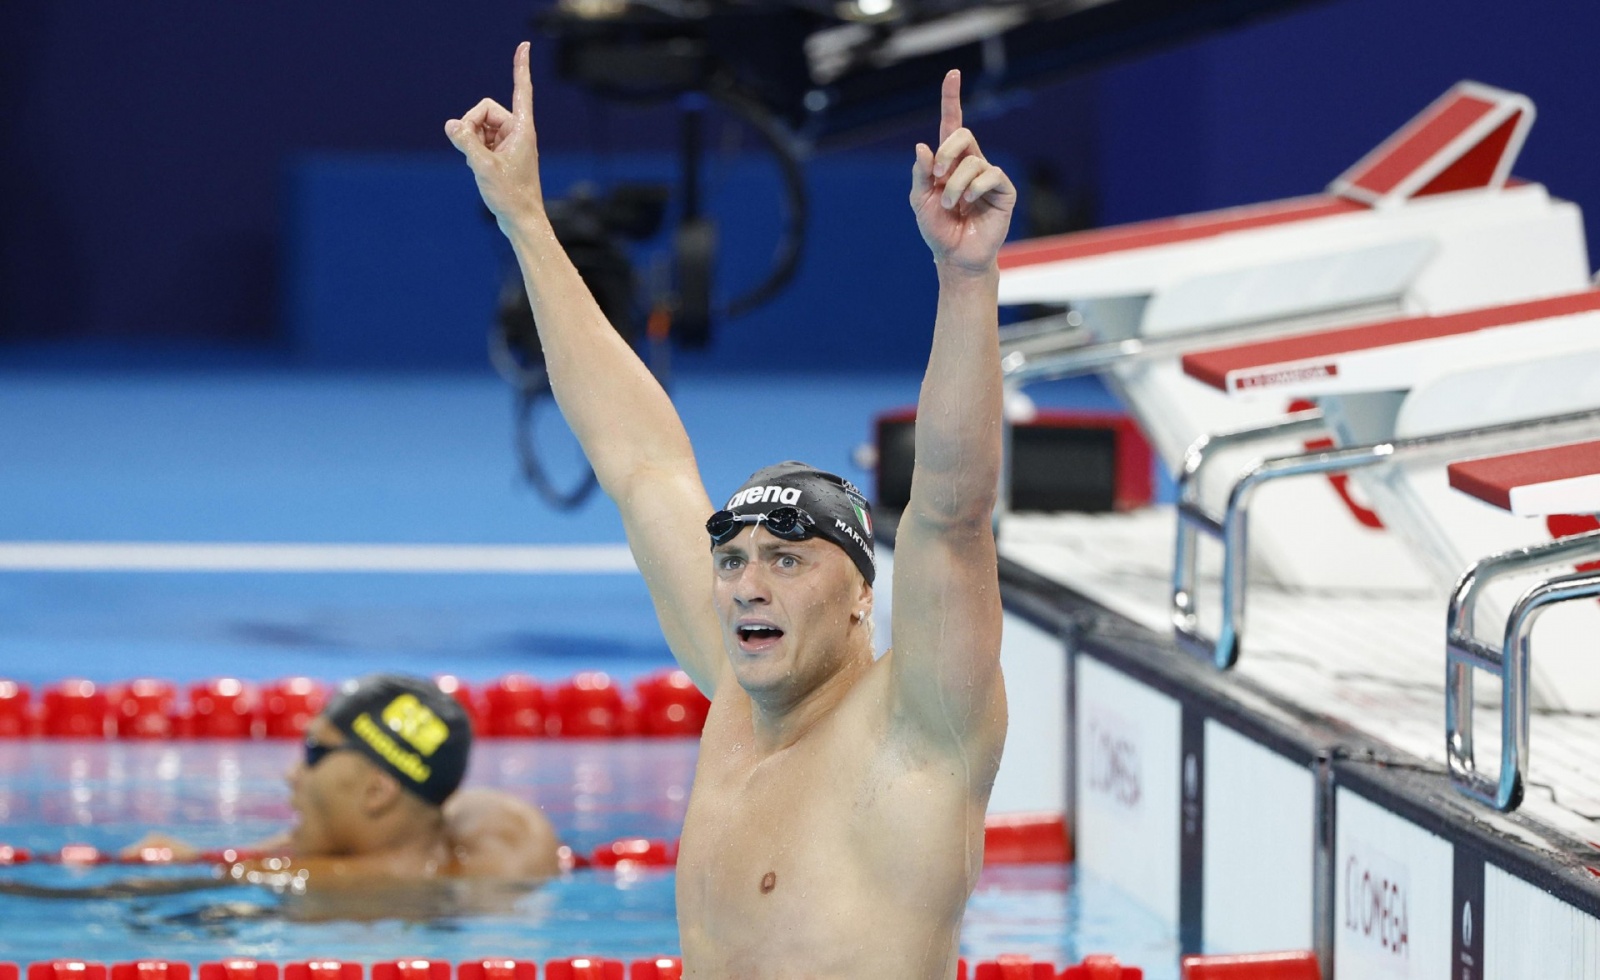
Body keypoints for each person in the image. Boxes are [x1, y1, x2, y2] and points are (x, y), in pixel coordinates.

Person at [446, 42, 1010, 978]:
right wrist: (525, 221)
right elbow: (640, 462)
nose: (749, 583)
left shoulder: (918, 731)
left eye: (788, 560)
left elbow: (951, 513)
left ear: (864, 595)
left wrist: (966, 282)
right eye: (735, 558)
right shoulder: (734, 703)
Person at [123, 673, 561, 884]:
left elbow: (352, 880)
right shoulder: (488, 824)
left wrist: (208, 875)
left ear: (378, 791)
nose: (293, 774)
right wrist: (209, 859)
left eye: (315, 753)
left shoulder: (404, 885)